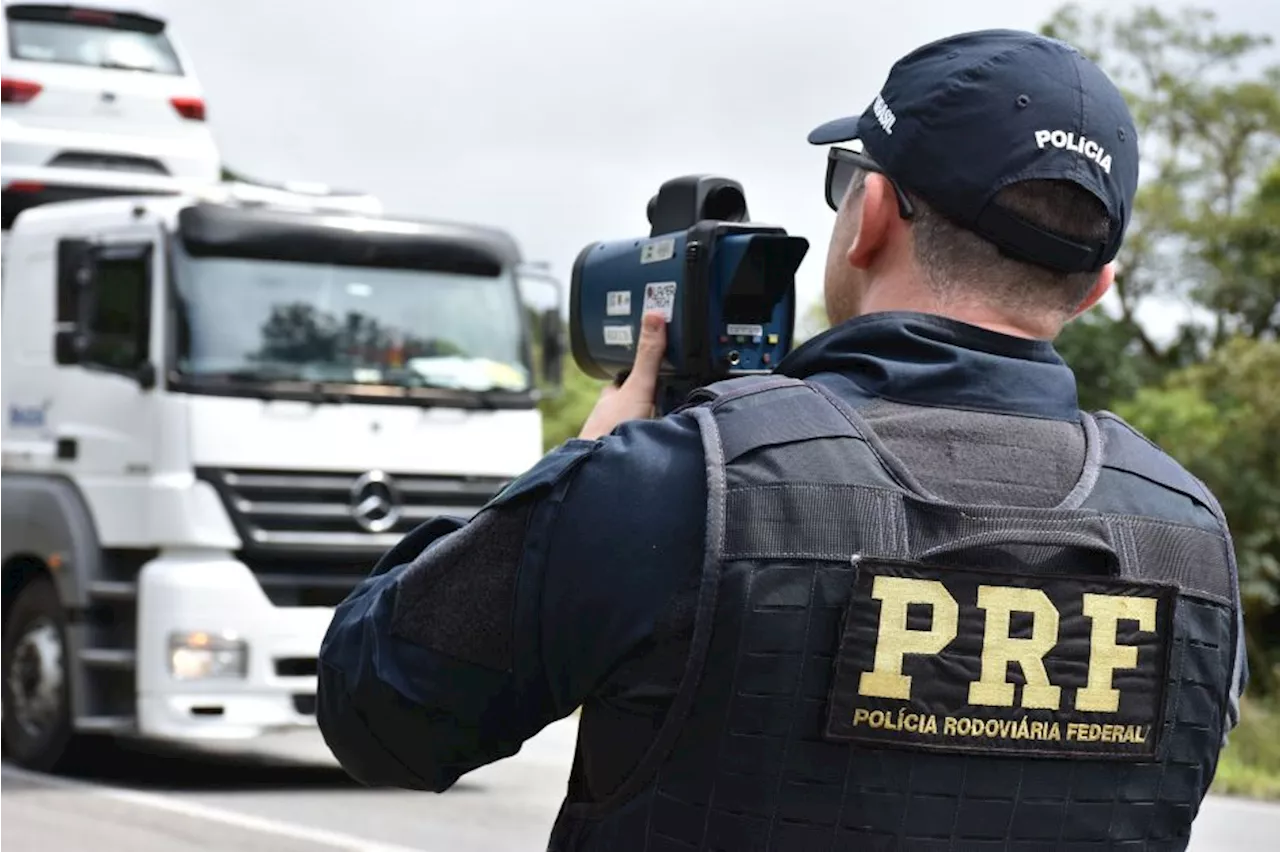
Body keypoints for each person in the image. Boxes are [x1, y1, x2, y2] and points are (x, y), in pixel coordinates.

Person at [316, 28, 1248, 851]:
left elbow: (381, 711)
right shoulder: (1192, 541)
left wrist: (580, 471)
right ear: (1095, 287)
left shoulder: (678, 485)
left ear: (870, 216)